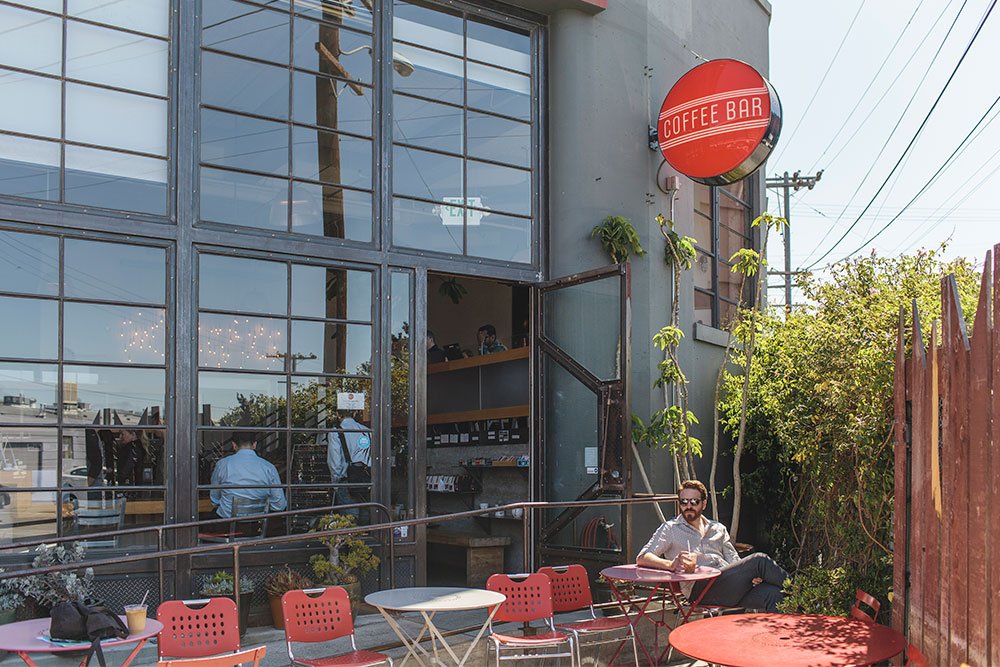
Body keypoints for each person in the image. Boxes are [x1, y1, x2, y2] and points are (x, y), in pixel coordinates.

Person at [636, 479, 789, 612]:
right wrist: (670, 565)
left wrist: (748, 575)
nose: (688, 506)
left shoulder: (718, 528)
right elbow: (643, 557)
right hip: (701, 590)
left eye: (694, 501)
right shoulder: (671, 529)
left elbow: (734, 560)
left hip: (729, 585)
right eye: (683, 502)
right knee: (759, 560)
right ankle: (805, 596)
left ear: (704, 503)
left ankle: (780, 643)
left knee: (776, 595)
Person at [210, 431, 287, 518]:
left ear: (234, 445)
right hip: (258, 523)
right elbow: (279, 505)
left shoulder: (222, 464)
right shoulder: (269, 467)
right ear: (254, 445)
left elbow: (214, 499)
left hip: (227, 521)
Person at [324, 412, 372, 517]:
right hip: (366, 480)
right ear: (355, 413)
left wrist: (336, 484)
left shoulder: (335, 432)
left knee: (350, 519)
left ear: (337, 414)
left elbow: (335, 462)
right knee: (366, 516)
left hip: (346, 481)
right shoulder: (367, 431)